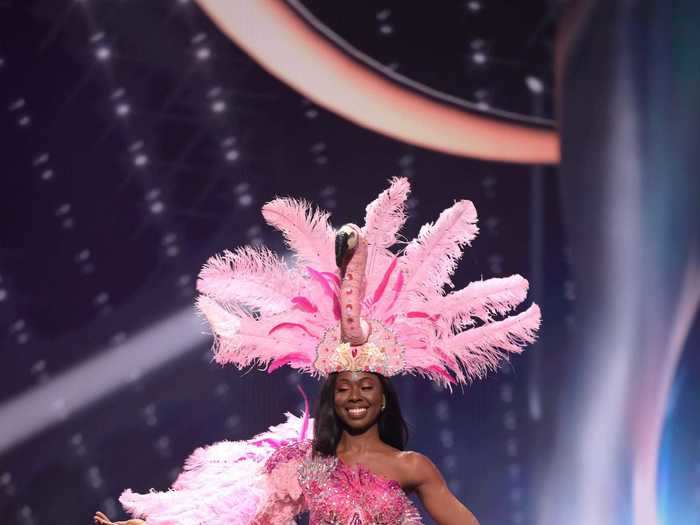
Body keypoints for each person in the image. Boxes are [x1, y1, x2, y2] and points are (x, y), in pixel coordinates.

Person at [95, 178, 540, 524]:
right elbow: (227, 515)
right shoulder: (306, 465)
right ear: (332, 397)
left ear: (383, 397)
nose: (356, 395)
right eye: (344, 387)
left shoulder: (411, 467)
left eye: (366, 385)